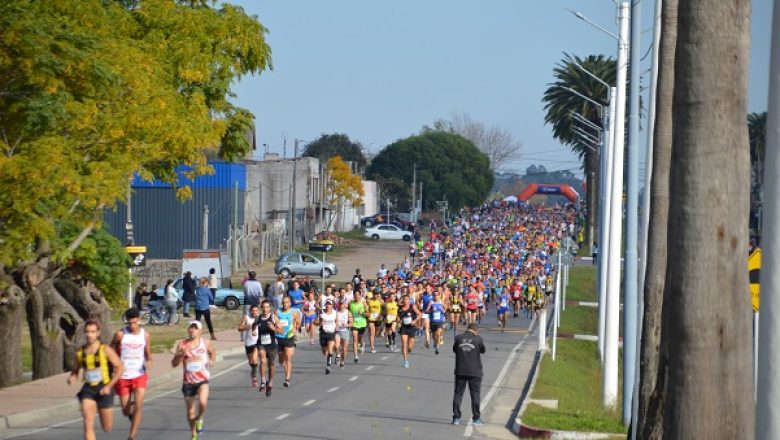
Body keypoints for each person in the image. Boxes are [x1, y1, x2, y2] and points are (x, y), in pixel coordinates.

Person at [68, 319, 124, 440]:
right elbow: (75, 370)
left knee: (107, 427)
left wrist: (109, 386)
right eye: (87, 332)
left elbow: (120, 368)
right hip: (88, 389)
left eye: (93, 332)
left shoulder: (105, 350)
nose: (89, 335)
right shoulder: (80, 352)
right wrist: (73, 377)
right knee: (87, 423)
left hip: (104, 387)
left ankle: (100, 407)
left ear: (98, 333)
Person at [172, 321, 216, 440]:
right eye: (190, 328)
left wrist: (212, 360)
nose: (192, 330)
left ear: (200, 331)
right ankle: (194, 434)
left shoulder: (205, 343)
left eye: (195, 328)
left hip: (202, 379)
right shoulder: (182, 344)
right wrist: (179, 356)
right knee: (190, 412)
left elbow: (213, 352)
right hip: (188, 382)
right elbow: (174, 364)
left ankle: (200, 418)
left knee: (202, 402)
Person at [112, 308, 152, 440]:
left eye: (135, 323)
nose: (132, 326)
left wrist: (149, 360)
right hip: (123, 376)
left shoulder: (145, 335)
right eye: (130, 323)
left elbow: (148, 352)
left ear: (139, 320)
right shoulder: (120, 335)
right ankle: (132, 412)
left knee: (139, 404)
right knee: (125, 410)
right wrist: (113, 366)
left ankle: (132, 436)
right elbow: (110, 351)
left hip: (139, 374)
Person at [452, 323, 486, 427]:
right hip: (475, 371)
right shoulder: (478, 339)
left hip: (460, 370)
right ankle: (476, 418)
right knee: (475, 395)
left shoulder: (458, 338)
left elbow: (454, 350)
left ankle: (456, 417)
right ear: (476, 331)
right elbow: (483, 350)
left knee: (458, 394)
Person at [254, 300, 280, 396]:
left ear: (270, 308)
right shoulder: (258, 318)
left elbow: (281, 330)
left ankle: (270, 382)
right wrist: (253, 330)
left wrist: (274, 328)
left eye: (267, 307)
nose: (265, 309)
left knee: (271, 365)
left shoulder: (273, 317)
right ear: (261, 308)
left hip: (272, 345)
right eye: (263, 307)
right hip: (261, 343)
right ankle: (263, 381)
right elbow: (254, 325)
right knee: (263, 360)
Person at [275, 296, 300, 387]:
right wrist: (277, 325)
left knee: (288, 359)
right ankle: (281, 360)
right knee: (282, 359)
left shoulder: (294, 312)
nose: (285, 304)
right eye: (284, 302)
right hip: (279, 337)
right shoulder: (277, 312)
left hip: (289, 337)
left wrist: (295, 326)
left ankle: (287, 379)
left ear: (290, 303)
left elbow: (298, 323)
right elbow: (275, 321)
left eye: (287, 302)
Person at [237, 305, 260, 388]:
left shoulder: (260, 318)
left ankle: (254, 378)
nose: (254, 312)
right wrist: (246, 327)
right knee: (251, 362)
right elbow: (239, 328)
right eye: (253, 310)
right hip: (248, 343)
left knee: (254, 360)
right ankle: (253, 372)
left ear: (258, 311)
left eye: (256, 310)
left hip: (257, 342)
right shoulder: (246, 318)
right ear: (250, 311)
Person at [398, 295, 421, 368]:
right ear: (403, 300)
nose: (406, 301)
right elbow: (398, 317)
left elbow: (420, 314)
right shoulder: (400, 308)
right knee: (404, 344)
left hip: (411, 328)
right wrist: (398, 320)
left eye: (408, 299)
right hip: (404, 328)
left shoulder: (412, 306)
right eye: (405, 299)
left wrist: (415, 321)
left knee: (410, 347)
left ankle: (409, 350)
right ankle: (405, 361)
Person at [316, 300, 338, 374]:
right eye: (327, 304)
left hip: (331, 333)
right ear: (325, 305)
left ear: (332, 306)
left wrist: (337, 326)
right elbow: (315, 322)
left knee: (330, 349)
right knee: (324, 351)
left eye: (330, 304)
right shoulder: (321, 313)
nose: (328, 306)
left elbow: (336, 321)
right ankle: (328, 356)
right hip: (323, 333)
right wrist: (319, 323)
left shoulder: (335, 313)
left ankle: (328, 366)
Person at [349, 291, 368, 363]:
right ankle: (356, 356)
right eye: (355, 295)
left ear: (360, 295)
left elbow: (368, 314)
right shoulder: (351, 303)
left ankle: (362, 344)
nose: (356, 296)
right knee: (354, 339)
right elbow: (349, 313)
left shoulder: (363, 303)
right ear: (353, 296)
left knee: (360, 339)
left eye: (358, 295)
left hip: (362, 324)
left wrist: (362, 313)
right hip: (354, 324)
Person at [335, 299, 352, 368]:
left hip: (345, 331)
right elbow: (334, 321)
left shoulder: (348, 312)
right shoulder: (336, 312)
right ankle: (338, 355)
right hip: (338, 331)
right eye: (341, 304)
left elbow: (351, 323)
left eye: (343, 304)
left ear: (345, 305)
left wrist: (347, 325)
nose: (342, 306)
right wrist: (336, 324)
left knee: (344, 350)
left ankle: (342, 361)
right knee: (336, 345)